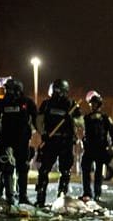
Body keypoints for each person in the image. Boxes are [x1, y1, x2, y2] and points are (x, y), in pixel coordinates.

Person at [35, 79, 82, 207]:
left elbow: (80, 122)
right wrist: (43, 133)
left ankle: (61, 198)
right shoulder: (46, 104)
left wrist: (71, 119)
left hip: (65, 141)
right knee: (44, 170)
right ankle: (41, 198)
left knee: (65, 171)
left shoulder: (71, 105)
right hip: (51, 140)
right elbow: (39, 121)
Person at [0, 78, 37, 205]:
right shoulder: (2, 103)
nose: (6, 92)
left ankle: (22, 196)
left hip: (22, 141)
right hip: (7, 141)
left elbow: (36, 118)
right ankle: (9, 197)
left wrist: (43, 133)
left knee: (22, 168)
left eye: (8, 89)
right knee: (8, 168)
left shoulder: (26, 102)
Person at [80, 90, 113, 202]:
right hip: (89, 148)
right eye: (91, 104)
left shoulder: (105, 118)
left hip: (100, 148)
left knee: (98, 172)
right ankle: (87, 193)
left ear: (99, 104)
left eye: (94, 104)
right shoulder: (86, 117)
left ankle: (97, 193)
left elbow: (112, 132)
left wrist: (112, 145)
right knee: (85, 169)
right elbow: (82, 130)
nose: (92, 106)